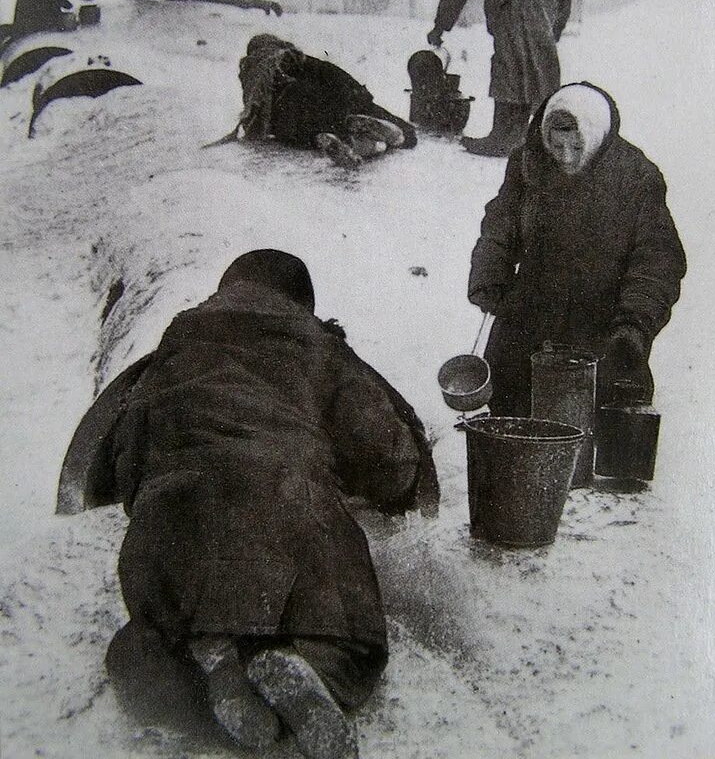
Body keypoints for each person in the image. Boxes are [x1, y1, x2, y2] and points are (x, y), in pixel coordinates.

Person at [61, 250, 439, 759]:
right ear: (300, 302)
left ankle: (204, 660)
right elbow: (386, 457)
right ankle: (303, 661)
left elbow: (122, 454)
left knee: (159, 640)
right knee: (346, 638)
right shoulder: (320, 347)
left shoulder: (175, 343)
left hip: (172, 523)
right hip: (291, 509)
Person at [467, 83, 686, 416]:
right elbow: (501, 224)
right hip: (530, 312)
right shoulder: (529, 162)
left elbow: (656, 262)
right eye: (557, 145)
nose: (566, 157)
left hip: (600, 323)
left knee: (589, 420)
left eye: (576, 145)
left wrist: (633, 327)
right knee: (512, 414)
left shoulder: (636, 178)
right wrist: (489, 272)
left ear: (595, 135)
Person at [427, 0, 572, 157]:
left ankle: (504, 138)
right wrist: (557, 25)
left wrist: (441, 25)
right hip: (551, 1)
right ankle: (544, 141)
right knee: (541, 69)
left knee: (509, 65)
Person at [235, 34, 417, 167]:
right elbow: (334, 74)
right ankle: (395, 135)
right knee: (392, 127)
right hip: (336, 99)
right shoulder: (296, 57)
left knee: (318, 133)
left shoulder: (252, 73)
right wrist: (363, 98)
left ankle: (360, 143)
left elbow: (254, 116)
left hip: (295, 121)